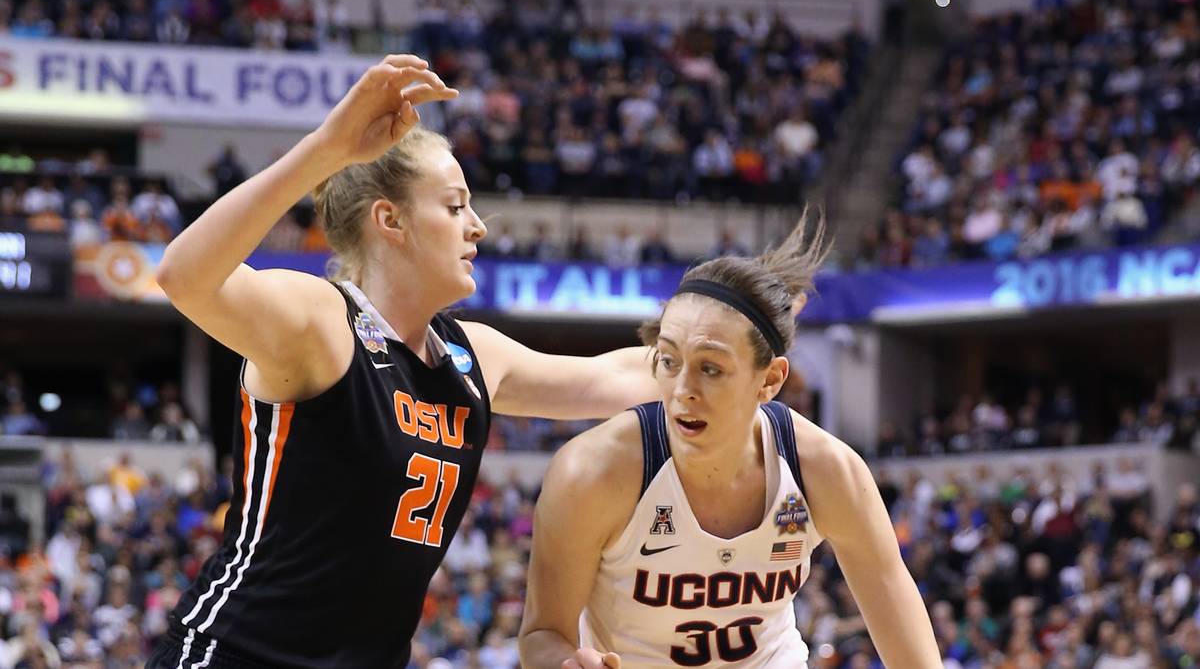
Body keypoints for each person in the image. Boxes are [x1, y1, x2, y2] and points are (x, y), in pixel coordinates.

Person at [147, 55, 658, 668]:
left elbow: (622, 377)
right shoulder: (322, 323)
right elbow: (184, 276)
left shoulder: (472, 357)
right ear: (390, 220)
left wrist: (736, 333)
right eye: (454, 206)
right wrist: (325, 149)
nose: (478, 228)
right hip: (238, 657)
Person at [518, 213, 942, 668]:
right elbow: (543, 634)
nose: (682, 390)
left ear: (771, 380)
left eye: (711, 368)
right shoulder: (594, 472)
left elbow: (908, 644)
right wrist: (565, 664)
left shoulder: (825, 469)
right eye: (669, 361)